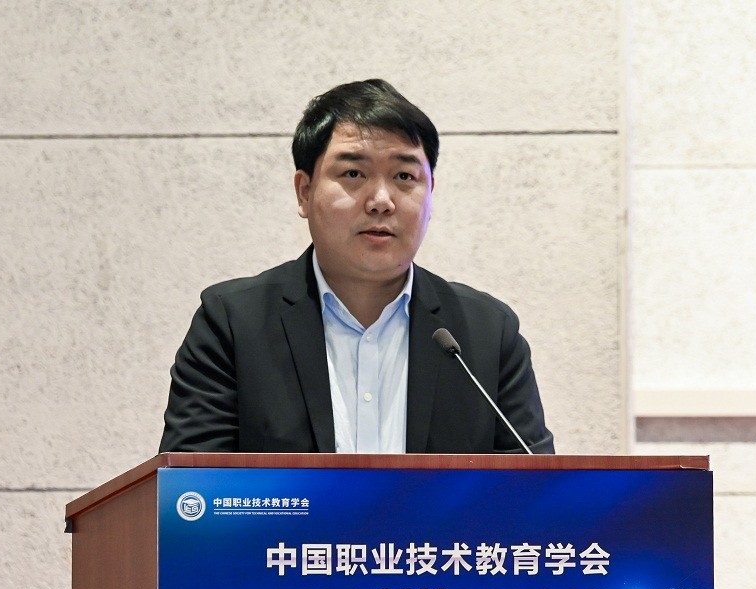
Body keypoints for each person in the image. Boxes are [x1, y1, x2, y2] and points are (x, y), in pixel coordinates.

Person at [159, 79, 554, 455]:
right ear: (305, 192)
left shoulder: (487, 334)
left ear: (431, 193)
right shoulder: (232, 324)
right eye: (353, 173)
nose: (381, 200)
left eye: (404, 176)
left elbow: (535, 488)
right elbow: (189, 489)